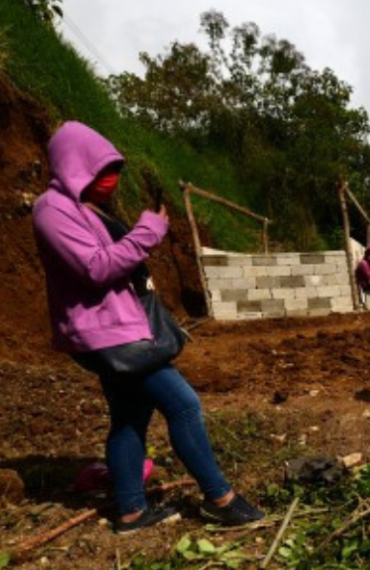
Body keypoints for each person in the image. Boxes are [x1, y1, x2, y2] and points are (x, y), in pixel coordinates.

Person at [32, 121, 265, 534]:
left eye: (114, 170)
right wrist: (148, 231)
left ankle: (131, 511)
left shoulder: (85, 208)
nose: (111, 180)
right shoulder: (52, 209)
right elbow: (96, 268)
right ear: (75, 166)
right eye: (102, 170)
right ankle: (220, 500)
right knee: (183, 405)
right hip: (108, 333)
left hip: (118, 326)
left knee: (129, 416)